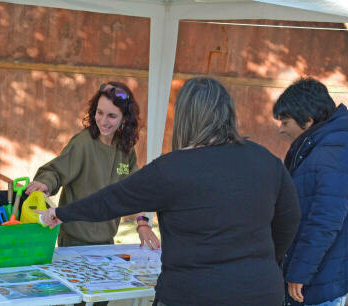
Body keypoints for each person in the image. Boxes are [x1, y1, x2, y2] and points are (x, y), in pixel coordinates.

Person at [38, 77, 301, 305]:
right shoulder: (266, 160)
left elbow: (113, 200)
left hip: (191, 294)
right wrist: (262, 261)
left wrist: (62, 213)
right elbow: (290, 220)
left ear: (186, 117)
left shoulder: (172, 169)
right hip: (260, 291)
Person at [26, 81, 160, 250]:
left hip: (107, 243)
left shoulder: (126, 150)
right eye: (99, 112)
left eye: (111, 116)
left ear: (125, 118)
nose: (103, 121)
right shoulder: (82, 143)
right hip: (74, 243)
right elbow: (55, 172)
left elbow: (135, 190)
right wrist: (45, 183)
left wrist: (142, 224)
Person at [273, 78, 348, 306]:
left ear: (308, 120)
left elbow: (325, 220)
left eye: (285, 122)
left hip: (316, 285)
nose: (281, 129)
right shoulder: (318, 145)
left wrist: (299, 273)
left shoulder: (334, 149)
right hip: (311, 279)